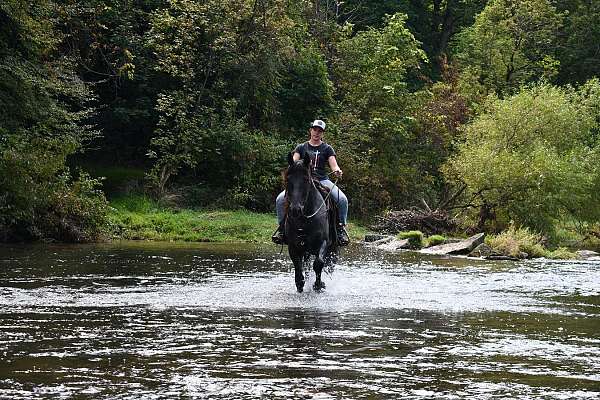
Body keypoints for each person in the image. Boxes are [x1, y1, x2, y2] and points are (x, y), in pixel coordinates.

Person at [272, 119, 349, 246]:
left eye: (320, 131)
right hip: (303, 182)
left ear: (322, 133)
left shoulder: (327, 148)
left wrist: (337, 171)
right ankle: (281, 229)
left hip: (323, 180)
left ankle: (340, 229)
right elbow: (294, 161)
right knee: (280, 199)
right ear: (310, 130)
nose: (316, 132)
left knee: (342, 200)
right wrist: (291, 165)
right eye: (315, 129)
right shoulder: (301, 147)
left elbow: (334, 165)